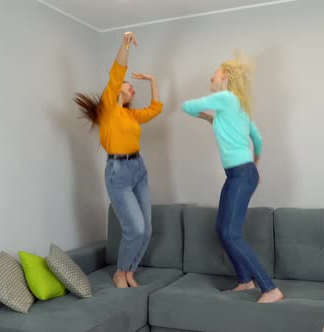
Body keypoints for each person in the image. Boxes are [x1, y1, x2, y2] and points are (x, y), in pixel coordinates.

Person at [181, 56, 284, 303]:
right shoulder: (238, 107)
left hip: (241, 173)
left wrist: (207, 115)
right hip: (240, 173)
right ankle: (245, 280)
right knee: (222, 229)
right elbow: (257, 140)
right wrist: (254, 167)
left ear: (226, 75)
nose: (210, 78)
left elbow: (187, 106)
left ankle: (270, 289)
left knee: (231, 233)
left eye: (214, 74)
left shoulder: (226, 99)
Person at [75, 32, 163, 288]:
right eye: (128, 84)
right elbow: (116, 72)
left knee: (146, 229)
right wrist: (125, 46)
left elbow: (156, 108)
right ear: (116, 91)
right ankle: (120, 272)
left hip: (139, 169)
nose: (131, 87)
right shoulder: (108, 109)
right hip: (119, 172)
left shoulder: (131, 116)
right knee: (134, 228)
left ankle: (129, 272)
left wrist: (153, 80)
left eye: (132, 86)